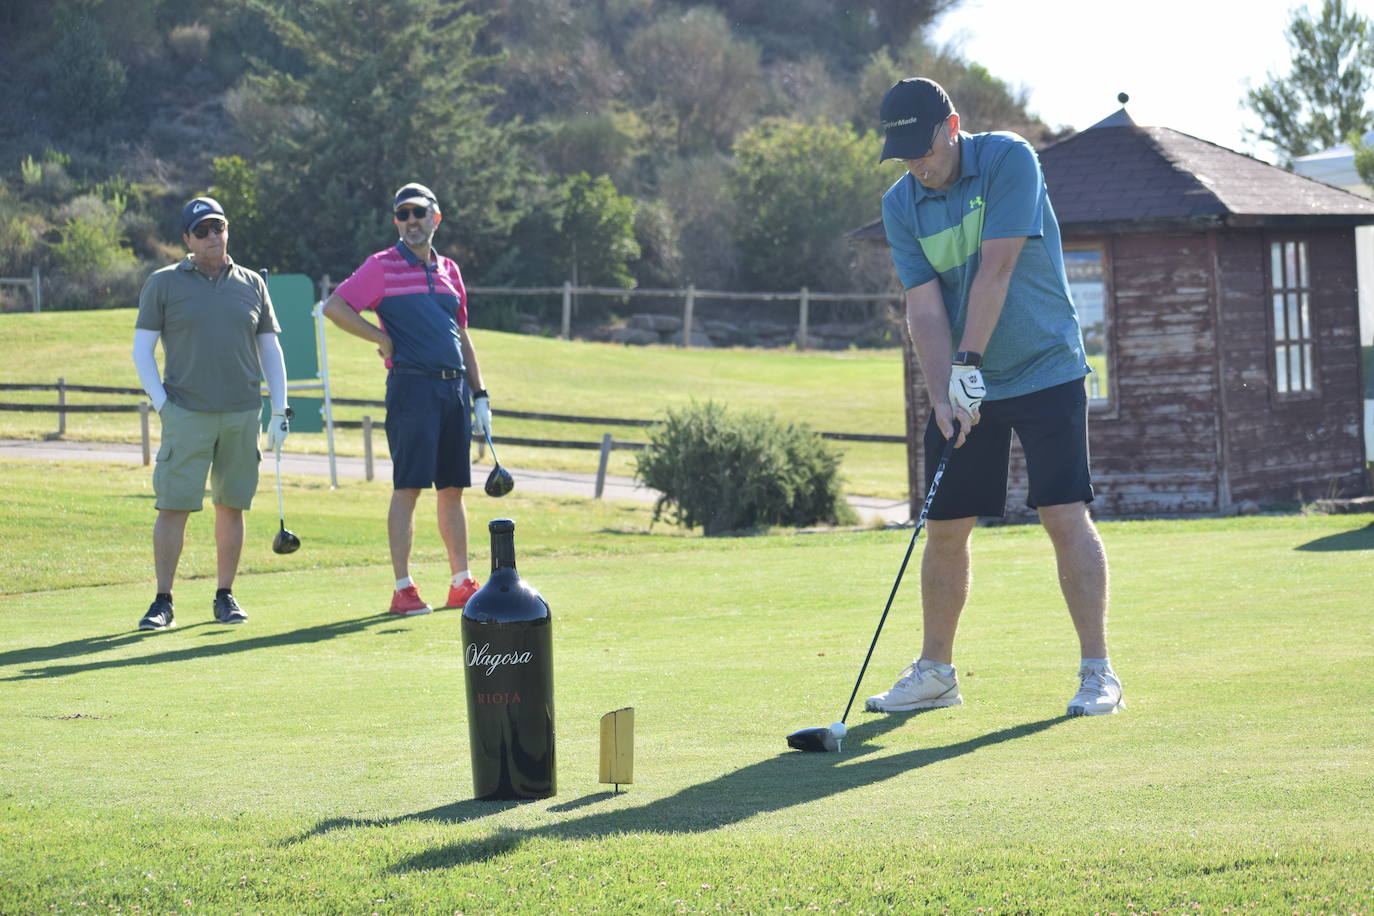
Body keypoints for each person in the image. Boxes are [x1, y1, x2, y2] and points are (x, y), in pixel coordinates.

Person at [867, 78, 1124, 718]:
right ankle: (936, 673)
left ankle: (1098, 672)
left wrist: (968, 364)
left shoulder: (1009, 159)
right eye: (903, 156)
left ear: (950, 127)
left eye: (922, 151)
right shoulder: (902, 204)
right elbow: (923, 308)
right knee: (945, 528)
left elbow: (998, 267)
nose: (917, 167)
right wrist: (944, 392)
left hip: (1045, 366)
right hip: (964, 382)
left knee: (1063, 513)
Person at [321, 182, 491, 616]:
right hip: (411, 387)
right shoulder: (382, 266)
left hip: (453, 389)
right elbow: (336, 306)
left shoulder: (451, 270)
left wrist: (480, 394)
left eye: (418, 213)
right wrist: (380, 337)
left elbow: (462, 335)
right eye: (403, 215)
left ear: (436, 217)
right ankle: (403, 589)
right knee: (409, 486)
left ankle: (460, 582)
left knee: (453, 488)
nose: (411, 221)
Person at [132, 196, 291, 631]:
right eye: (201, 231)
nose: (212, 237)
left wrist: (280, 410)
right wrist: (163, 405)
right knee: (173, 506)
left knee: (231, 506)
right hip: (186, 411)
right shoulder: (163, 283)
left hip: (242, 413)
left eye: (218, 227)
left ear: (227, 231)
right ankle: (163, 600)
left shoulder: (252, 283)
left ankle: (225, 595)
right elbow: (141, 349)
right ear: (186, 238)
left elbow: (269, 349)